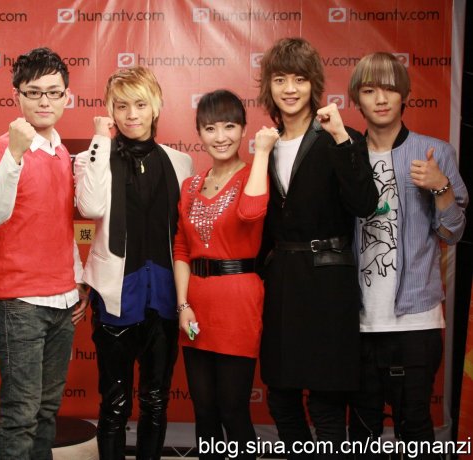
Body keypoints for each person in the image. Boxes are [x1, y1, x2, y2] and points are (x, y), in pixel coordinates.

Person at [256, 37, 379, 458]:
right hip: (283, 283)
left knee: (326, 405)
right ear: (268, 87)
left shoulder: (340, 139)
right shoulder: (267, 145)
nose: (289, 89)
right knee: (280, 397)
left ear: (314, 84)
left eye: (299, 79)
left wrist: (342, 137)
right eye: (280, 79)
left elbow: (365, 204)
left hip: (329, 283)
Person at [346, 52, 468, 457]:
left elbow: (453, 231)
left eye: (390, 89)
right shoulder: (346, 156)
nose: (381, 99)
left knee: (414, 428)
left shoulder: (434, 152)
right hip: (356, 320)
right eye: (369, 90)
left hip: (416, 318)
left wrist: (440, 186)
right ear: (356, 99)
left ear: (406, 95)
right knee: (360, 434)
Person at [74, 66, 193, 459]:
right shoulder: (92, 157)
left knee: (156, 400)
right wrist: (99, 139)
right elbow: (89, 207)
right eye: (121, 106)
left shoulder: (180, 162)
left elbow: (183, 234)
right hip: (116, 295)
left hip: (164, 296)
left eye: (140, 105)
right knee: (115, 403)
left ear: (155, 106)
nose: (131, 115)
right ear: (110, 110)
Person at [0, 47, 87, 460]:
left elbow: (61, 227)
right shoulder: (1, 150)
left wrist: (76, 283)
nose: (45, 101)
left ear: (66, 97)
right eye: (34, 92)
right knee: (20, 416)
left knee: (45, 412)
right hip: (19, 305)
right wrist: (15, 153)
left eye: (54, 92)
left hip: (62, 301)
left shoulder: (61, 154)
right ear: (17, 96)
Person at [173, 89, 277, 459]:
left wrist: (262, 154)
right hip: (195, 307)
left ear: (244, 129)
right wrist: (182, 305)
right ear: (199, 133)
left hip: (238, 303)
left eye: (230, 127)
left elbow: (250, 212)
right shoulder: (190, 186)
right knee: (204, 411)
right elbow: (182, 249)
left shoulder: (254, 174)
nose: (221, 137)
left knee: (233, 411)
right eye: (211, 128)